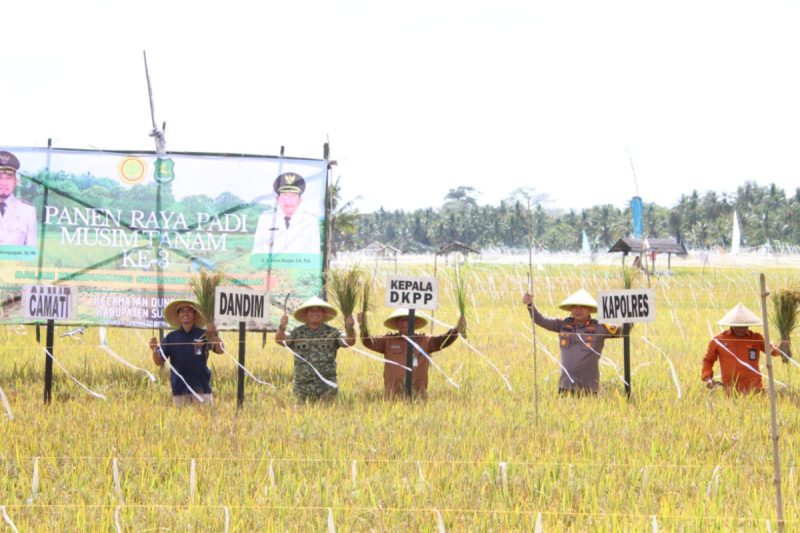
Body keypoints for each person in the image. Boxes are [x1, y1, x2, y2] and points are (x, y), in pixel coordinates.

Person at [523, 288, 623, 395]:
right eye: (575, 307)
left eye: (582, 307)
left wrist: (631, 315)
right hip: (565, 386)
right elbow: (541, 320)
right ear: (571, 309)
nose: (578, 310)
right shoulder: (563, 324)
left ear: (590, 309)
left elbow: (623, 331)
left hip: (589, 389)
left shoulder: (600, 327)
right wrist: (530, 305)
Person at [358, 308, 466, 399]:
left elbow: (442, 341)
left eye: (408, 320)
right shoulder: (388, 340)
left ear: (415, 323)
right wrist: (363, 326)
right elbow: (368, 342)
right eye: (401, 320)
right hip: (392, 396)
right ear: (397, 323)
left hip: (418, 396)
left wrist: (456, 329)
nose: (404, 323)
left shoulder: (424, 341)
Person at [275, 296, 355, 402]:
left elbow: (349, 341)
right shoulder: (297, 332)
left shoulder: (333, 332)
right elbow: (280, 340)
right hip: (302, 387)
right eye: (311, 311)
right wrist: (282, 326)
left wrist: (349, 328)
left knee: (328, 416)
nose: (315, 313)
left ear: (323, 314)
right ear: (306, 314)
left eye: (318, 311)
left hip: (327, 387)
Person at [149, 299, 224, 406]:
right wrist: (154, 350)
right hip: (179, 390)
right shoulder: (171, 337)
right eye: (182, 311)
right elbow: (158, 361)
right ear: (178, 315)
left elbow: (221, 350)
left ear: (194, 314)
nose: (185, 313)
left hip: (202, 390)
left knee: (206, 421)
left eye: (189, 310)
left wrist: (214, 334)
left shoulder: (204, 334)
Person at [702, 303, 780, 393]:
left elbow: (773, 351)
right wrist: (708, 378)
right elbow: (708, 360)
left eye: (744, 326)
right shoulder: (719, 340)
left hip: (754, 389)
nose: (742, 329)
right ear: (732, 324)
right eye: (739, 326)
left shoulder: (756, 338)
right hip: (730, 390)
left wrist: (782, 348)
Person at [251, 172, 322, 255]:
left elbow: (315, 253)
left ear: (300, 200)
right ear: (277, 199)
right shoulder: (265, 219)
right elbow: (256, 252)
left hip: (299, 267)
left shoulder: (310, 220)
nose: (288, 200)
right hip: (270, 267)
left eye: (293, 196)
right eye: (285, 196)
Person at [0, 150, 37, 246]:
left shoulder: (27, 211)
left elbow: (30, 251)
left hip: (15, 261)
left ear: (16, 181)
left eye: (8, 178)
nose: (4, 183)